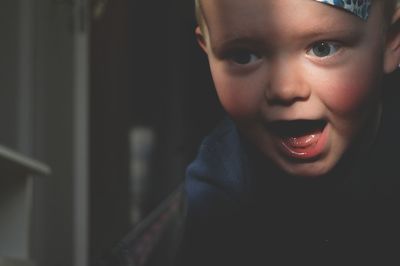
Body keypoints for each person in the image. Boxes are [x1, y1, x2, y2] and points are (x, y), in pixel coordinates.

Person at [176, 0, 400, 265]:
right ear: (209, 51)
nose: (285, 89)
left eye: (322, 48)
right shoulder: (218, 197)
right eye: (243, 55)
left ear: (390, 41)